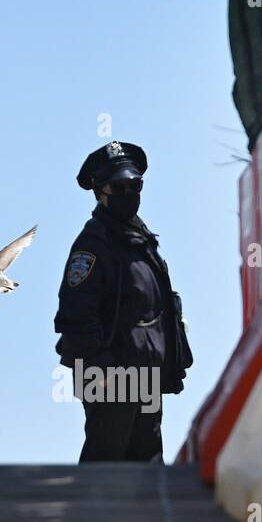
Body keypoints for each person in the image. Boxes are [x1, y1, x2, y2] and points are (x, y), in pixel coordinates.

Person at [54, 141, 192, 463]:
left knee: (147, 474)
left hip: (147, 380)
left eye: (135, 184)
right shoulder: (92, 246)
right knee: (105, 474)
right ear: (99, 193)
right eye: (119, 187)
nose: (129, 192)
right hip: (111, 383)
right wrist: (105, 376)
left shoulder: (142, 243)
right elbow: (74, 319)